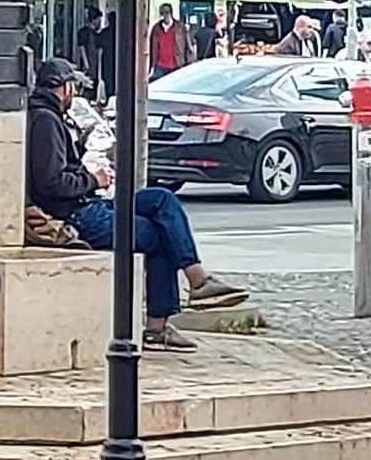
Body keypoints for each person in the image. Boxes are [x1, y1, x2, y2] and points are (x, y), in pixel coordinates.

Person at [27, 58, 248, 351]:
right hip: (76, 215)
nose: (76, 93)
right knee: (157, 235)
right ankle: (162, 321)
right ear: (65, 87)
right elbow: (51, 183)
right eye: (74, 87)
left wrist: (81, 150)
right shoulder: (45, 120)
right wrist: (94, 179)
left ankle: (198, 280)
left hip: (85, 205)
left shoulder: (50, 118)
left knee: (162, 200)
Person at [148, 3, 194, 80]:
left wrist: (188, 63)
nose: (165, 16)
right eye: (163, 13)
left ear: (171, 13)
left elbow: (188, 46)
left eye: (167, 13)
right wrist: (152, 66)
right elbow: (152, 48)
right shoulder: (156, 28)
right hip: (160, 66)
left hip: (177, 65)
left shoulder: (180, 27)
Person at [76, 6, 103, 85]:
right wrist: (86, 64)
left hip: (95, 67)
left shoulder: (97, 33)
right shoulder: (84, 33)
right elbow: (82, 49)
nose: (100, 22)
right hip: (89, 67)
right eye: (99, 19)